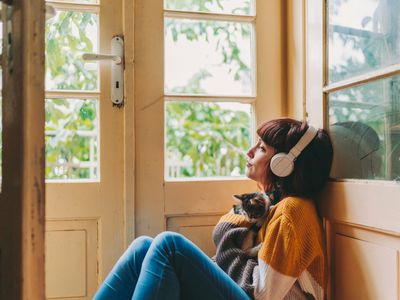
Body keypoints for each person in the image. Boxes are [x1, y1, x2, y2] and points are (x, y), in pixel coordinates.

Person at [93, 118, 333, 300]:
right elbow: (228, 236)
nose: (249, 152)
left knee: (169, 246)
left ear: (283, 164)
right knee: (142, 248)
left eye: (261, 148)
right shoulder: (272, 204)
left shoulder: (292, 211)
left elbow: (262, 294)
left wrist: (227, 252)